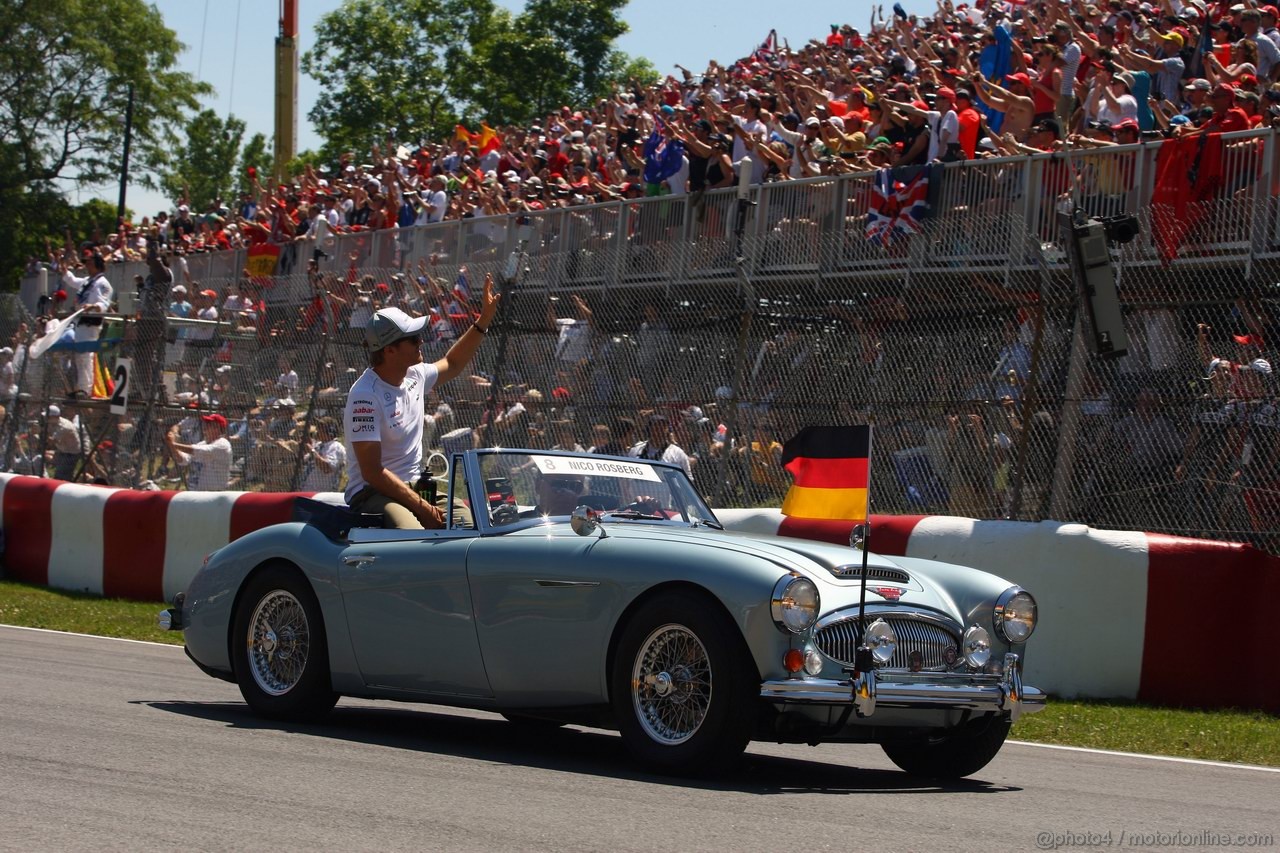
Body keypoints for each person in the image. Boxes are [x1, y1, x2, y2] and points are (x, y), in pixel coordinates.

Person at [343, 274, 500, 529]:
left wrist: (483, 321)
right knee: (412, 538)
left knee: (472, 529)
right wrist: (422, 508)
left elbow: (453, 363)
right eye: (413, 339)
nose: (421, 341)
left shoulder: (414, 374)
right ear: (389, 350)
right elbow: (372, 473)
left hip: (416, 489)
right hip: (373, 493)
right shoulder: (365, 396)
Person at [60, 252, 112, 397]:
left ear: (97, 264)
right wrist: (64, 268)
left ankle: (86, 390)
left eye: (89, 263)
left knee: (85, 356)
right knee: (79, 356)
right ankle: (81, 388)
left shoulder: (102, 283)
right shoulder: (87, 281)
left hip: (91, 323)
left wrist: (93, 306)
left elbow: (104, 302)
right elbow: (72, 280)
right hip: (80, 322)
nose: (87, 265)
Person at [166, 413, 233, 491]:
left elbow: (197, 451)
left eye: (209, 425)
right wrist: (171, 446)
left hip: (214, 494)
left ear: (218, 428)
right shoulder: (203, 443)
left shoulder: (223, 444)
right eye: (206, 424)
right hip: (195, 492)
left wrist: (174, 444)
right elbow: (182, 460)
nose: (205, 426)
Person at [517, 471, 587, 518]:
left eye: (574, 486)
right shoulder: (518, 525)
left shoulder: (591, 529)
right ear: (538, 485)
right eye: (558, 484)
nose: (567, 492)